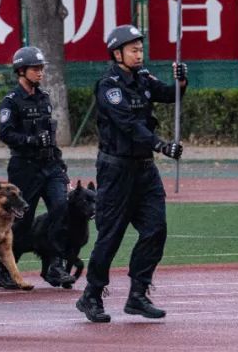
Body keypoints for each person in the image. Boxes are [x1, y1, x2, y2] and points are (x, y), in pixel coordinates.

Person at [76, 24, 187, 324]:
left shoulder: (143, 79)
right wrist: (160, 145)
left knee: (156, 229)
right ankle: (91, 295)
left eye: (140, 49)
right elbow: (128, 124)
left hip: (145, 170)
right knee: (110, 236)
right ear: (117, 53)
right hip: (117, 170)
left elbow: (170, 95)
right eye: (133, 50)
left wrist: (181, 81)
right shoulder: (109, 86)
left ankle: (138, 293)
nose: (139, 54)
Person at [0, 46, 73, 289]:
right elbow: (6, 133)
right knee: (22, 221)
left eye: (41, 68)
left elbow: (50, 136)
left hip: (50, 166)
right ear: (21, 70)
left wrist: (61, 166)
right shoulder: (11, 101)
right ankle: (5, 270)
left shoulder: (44, 98)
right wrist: (31, 140)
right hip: (25, 167)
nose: (40, 72)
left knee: (61, 211)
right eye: (35, 68)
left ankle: (55, 267)